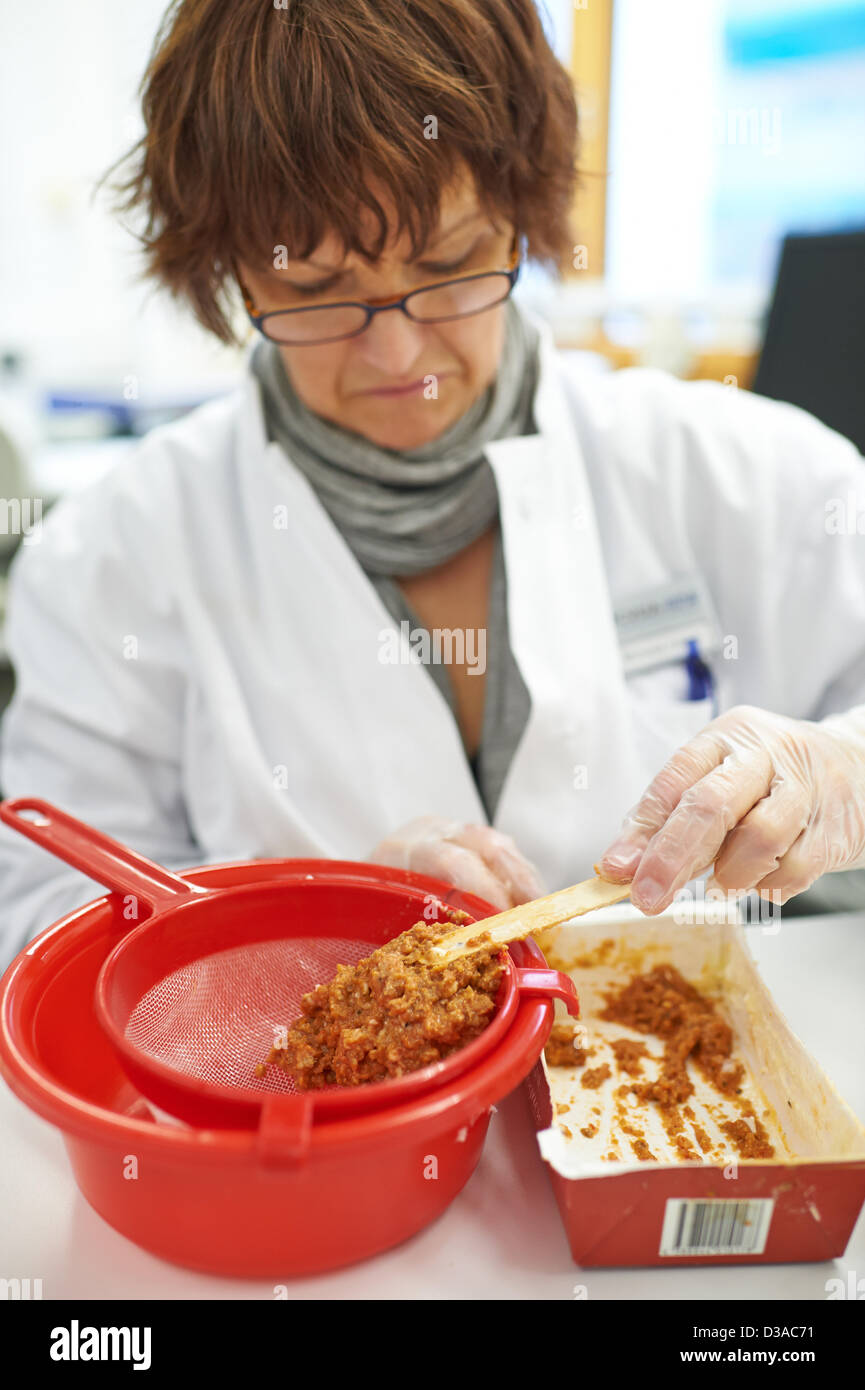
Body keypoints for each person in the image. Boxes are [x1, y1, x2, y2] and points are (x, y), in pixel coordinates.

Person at [1, 0, 864, 966]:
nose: (397, 351)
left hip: (704, 1089)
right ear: (232, 276)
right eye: (317, 288)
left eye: (448, 264)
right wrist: (296, 932)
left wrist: (843, 778)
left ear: (522, 217)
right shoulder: (111, 555)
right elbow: (44, 906)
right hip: (317, 1114)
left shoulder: (751, 471)